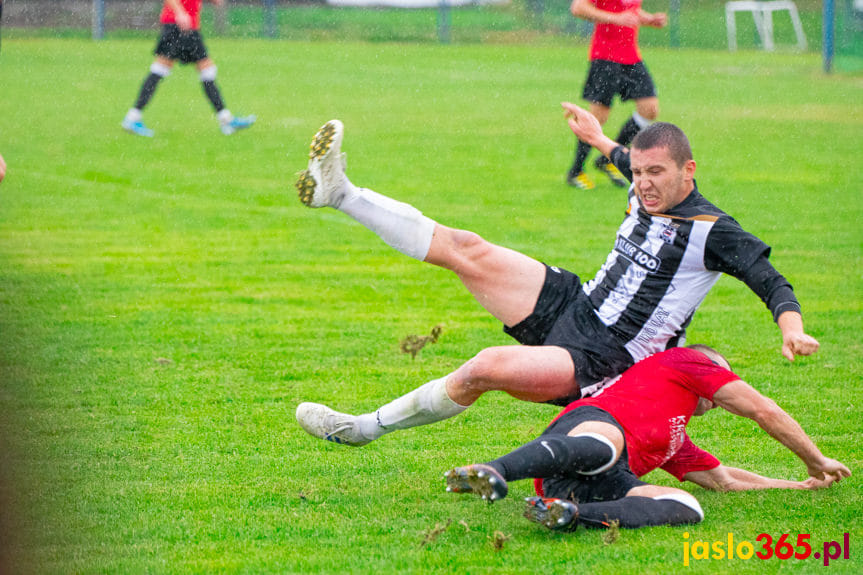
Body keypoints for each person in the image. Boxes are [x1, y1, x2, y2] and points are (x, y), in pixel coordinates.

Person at [293, 109, 819, 447]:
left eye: (656, 173)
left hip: (609, 356)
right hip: (577, 301)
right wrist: (597, 137)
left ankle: (361, 428)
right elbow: (626, 156)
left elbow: (770, 280)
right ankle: (340, 194)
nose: (643, 184)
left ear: (689, 170)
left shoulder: (711, 230)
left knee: (485, 367)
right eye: (636, 173)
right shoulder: (641, 181)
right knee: (466, 247)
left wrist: (790, 328)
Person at [444, 345, 850, 532]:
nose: (722, 392)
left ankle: (563, 514)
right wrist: (816, 460)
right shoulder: (685, 361)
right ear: (707, 365)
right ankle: (490, 471)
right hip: (592, 427)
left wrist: (799, 485)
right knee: (604, 446)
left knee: (686, 505)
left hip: (591, 482)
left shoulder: (675, 439)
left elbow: (724, 480)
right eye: (721, 374)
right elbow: (762, 409)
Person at [566, 0, 666, 190]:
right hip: (605, 57)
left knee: (649, 109)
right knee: (597, 118)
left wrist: (649, 19)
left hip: (631, 57)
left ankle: (608, 158)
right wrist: (615, 18)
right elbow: (578, 7)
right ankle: (575, 171)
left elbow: (630, 11)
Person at [121, 0, 255, 137]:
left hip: (185, 26)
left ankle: (226, 119)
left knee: (196, 69)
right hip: (178, 25)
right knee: (172, 69)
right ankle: (226, 120)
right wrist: (180, 12)